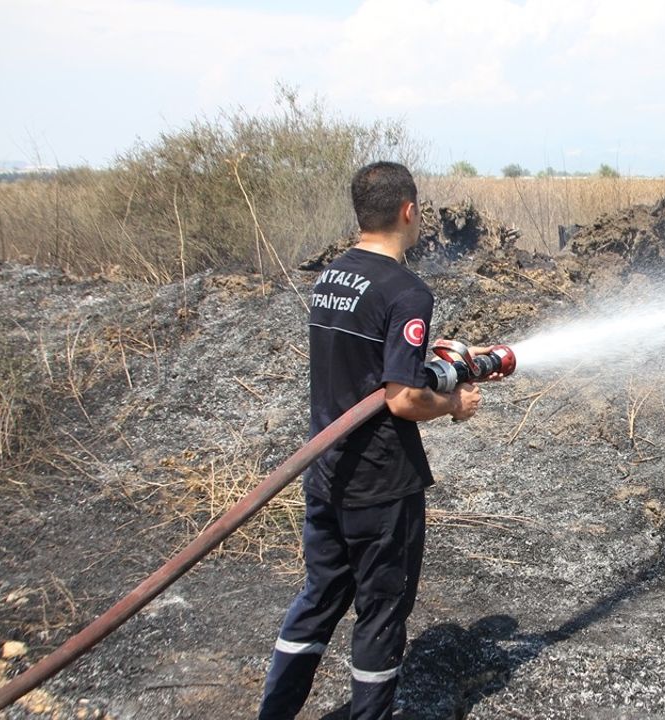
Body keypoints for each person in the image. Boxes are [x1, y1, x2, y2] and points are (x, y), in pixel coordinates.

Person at [259, 161, 483, 720]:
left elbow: (363, 366)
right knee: (381, 612)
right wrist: (454, 403)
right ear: (409, 211)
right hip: (380, 484)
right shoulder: (407, 291)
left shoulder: (332, 276)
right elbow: (402, 399)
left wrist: (429, 362)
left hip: (326, 470)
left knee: (319, 598)